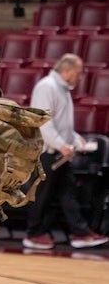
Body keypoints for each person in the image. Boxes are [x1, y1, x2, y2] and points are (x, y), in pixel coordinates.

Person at [23, 54, 109, 251]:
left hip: (61, 154)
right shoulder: (47, 87)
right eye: (78, 73)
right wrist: (62, 145)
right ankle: (33, 234)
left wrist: (75, 139)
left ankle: (80, 233)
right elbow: (43, 121)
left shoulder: (62, 90)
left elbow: (62, 123)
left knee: (68, 194)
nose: (79, 78)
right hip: (47, 154)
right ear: (68, 70)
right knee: (42, 195)